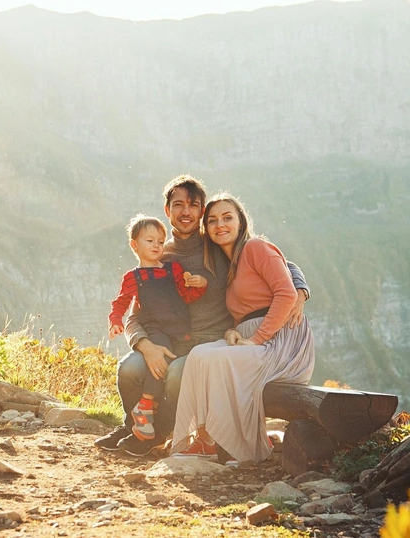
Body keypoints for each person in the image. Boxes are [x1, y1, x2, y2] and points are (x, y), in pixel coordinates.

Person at [94, 175, 310, 456]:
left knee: (176, 375)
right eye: (178, 204)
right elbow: (137, 312)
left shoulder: (217, 246)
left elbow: (278, 260)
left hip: (209, 341)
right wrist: (146, 346)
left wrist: (301, 289)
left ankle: (153, 435)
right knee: (130, 368)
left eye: (194, 205)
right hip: (167, 341)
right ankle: (133, 427)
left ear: (202, 211)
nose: (186, 212)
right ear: (167, 210)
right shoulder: (160, 255)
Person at [170, 192, 315, 465]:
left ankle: (247, 450)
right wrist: (232, 333)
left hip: (281, 341)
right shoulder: (227, 263)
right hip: (251, 337)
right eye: (212, 220)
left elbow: (285, 292)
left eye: (227, 217)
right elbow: (240, 315)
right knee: (199, 355)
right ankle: (204, 441)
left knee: (216, 359)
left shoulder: (255, 247)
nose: (220, 225)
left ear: (241, 222)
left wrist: (300, 293)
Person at [108, 214, 208, 441]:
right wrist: (115, 321)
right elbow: (121, 302)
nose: (156, 245)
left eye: (160, 242)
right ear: (134, 245)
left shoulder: (173, 269)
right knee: (159, 355)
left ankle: (155, 421)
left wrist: (200, 285)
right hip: (154, 330)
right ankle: (144, 406)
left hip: (179, 329)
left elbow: (186, 296)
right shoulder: (132, 277)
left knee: (170, 362)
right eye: (149, 240)